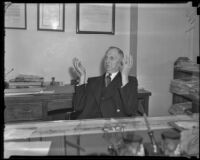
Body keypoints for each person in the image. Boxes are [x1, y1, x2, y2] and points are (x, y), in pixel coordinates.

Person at [72, 46, 138, 119]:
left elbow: (130, 110)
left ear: (120, 63)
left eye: (111, 58)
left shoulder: (129, 81)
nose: (107, 61)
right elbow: (78, 107)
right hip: (91, 125)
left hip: (114, 127)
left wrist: (124, 75)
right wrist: (82, 76)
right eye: (106, 57)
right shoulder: (93, 82)